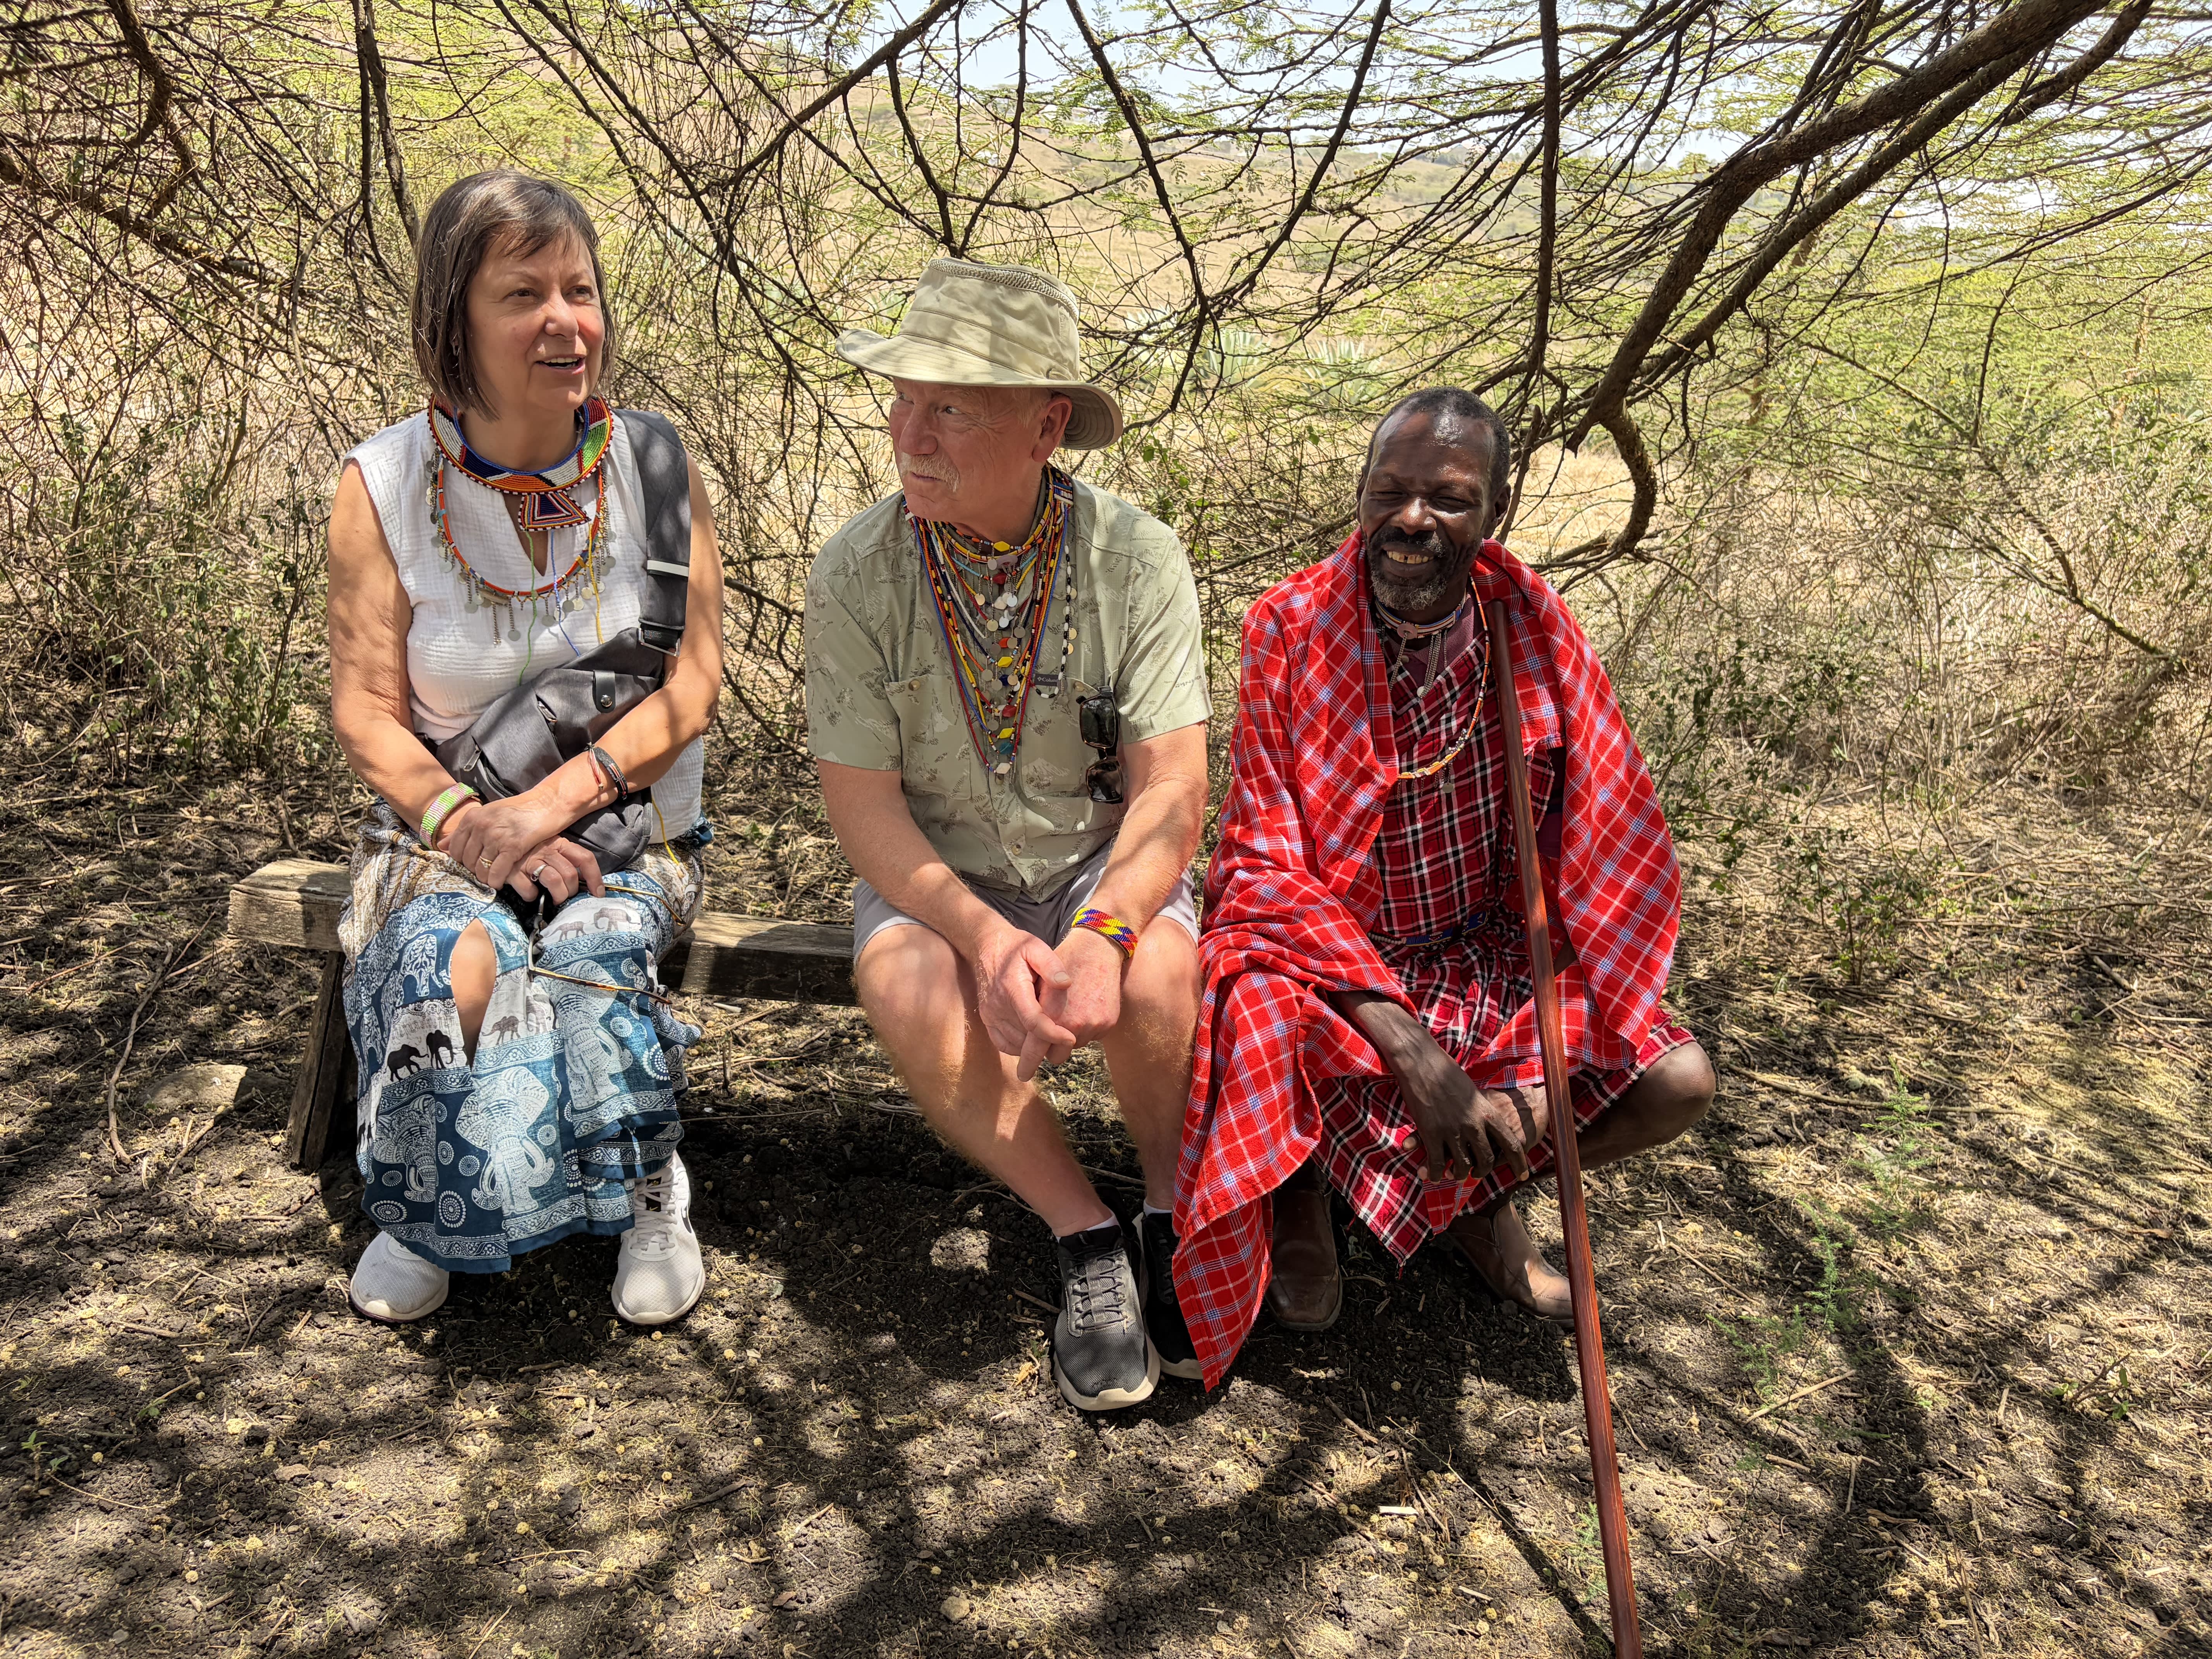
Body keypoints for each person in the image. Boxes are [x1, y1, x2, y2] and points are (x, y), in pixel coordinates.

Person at [1172, 388, 1715, 1386]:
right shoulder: (1288, 628)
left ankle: (1467, 1196)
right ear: (1364, 496)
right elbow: (1259, 864)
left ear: (1495, 514)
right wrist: (1419, 1058)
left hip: (1477, 943)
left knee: (1677, 1081)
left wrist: (1557, 1034)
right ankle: (1303, 1199)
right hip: (1325, 957)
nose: (1413, 520)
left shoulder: (1531, 624)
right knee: (1251, 1007)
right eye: (1392, 492)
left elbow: (1597, 837)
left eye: (1450, 500)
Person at [805, 259, 1211, 1410]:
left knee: (1162, 968)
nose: (907, 432)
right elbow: (864, 807)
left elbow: (1172, 787)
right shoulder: (856, 573)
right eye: (901, 399)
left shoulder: (1136, 560)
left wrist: (1107, 927)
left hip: (1097, 864)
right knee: (896, 974)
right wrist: (985, 941)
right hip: (945, 884)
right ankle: (1086, 1234)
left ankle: (1176, 1213)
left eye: (948, 407)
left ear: (1045, 428)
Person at [327, 170, 725, 1326]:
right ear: (455, 319)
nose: (566, 320)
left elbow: (693, 686)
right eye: (524, 293)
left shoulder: (654, 469)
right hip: (445, 830)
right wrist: (473, 832)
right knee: (455, 959)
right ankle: (420, 1202)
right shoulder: (385, 484)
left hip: (627, 829)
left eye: (581, 290)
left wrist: (545, 812)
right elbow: (365, 707)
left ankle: (649, 1192)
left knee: (598, 944)